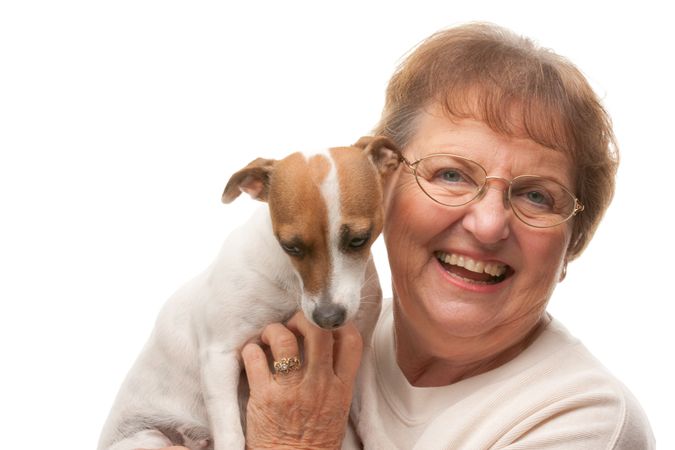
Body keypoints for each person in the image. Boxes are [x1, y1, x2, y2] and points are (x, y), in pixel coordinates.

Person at [157, 22, 656, 450]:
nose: (487, 225)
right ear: (383, 191)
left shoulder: (584, 419)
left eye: (536, 196)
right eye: (451, 175)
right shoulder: (321, 329)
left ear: (573, 243)